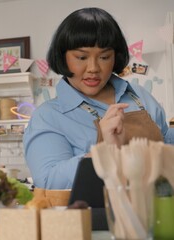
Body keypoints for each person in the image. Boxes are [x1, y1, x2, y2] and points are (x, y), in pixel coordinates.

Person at [23, 7, 174, 199]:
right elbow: (48, 181)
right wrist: (101, 152)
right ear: (63, 57)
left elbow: (166, 143)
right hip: (96, 223)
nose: (93, 68)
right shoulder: (48, 116)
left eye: (104, 57)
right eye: (81, 57)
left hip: (160, 213)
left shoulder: (140, 97)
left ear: (115, 57)